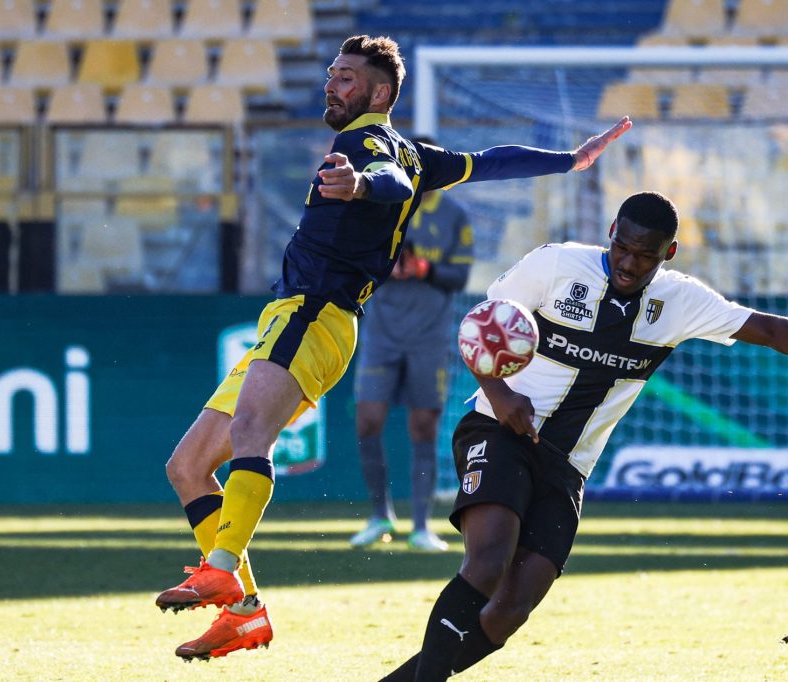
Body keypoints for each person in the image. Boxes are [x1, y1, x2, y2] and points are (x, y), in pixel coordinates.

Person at [153, 33, 634, 662]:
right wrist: (567, 160)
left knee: (250, 433)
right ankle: (243, 613)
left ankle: (220, 570)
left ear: (379, 93)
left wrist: (359, 185)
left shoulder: (369, 144)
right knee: (188, 466)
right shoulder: (417, 155)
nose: (332, 85)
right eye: (332, 73)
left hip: (316, 312)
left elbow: (388, 180)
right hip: (296, 318)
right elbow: (488, 161)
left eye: (346, 78)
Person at [380, 191, 788, 681]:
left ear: (669, 252)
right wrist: (499, 391)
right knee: (488, 562)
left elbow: (766, 329)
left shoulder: (680, 300)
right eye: (622, 247)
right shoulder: (556, 265)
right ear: (611, 233)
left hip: (568, 465)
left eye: (645, 255)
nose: (628, 263)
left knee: (511, 609)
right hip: (499, 428)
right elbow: (481, 325)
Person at [350, 139, 474, 552]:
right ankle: (379, 514)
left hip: (428, 336)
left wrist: (424, 268)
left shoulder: (455, 215)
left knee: (424, 427)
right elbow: (358, 262)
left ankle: (422, 526)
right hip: (381, 333)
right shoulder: (382, 206)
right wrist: (387, 266)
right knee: (367, 420)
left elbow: (459, 278)